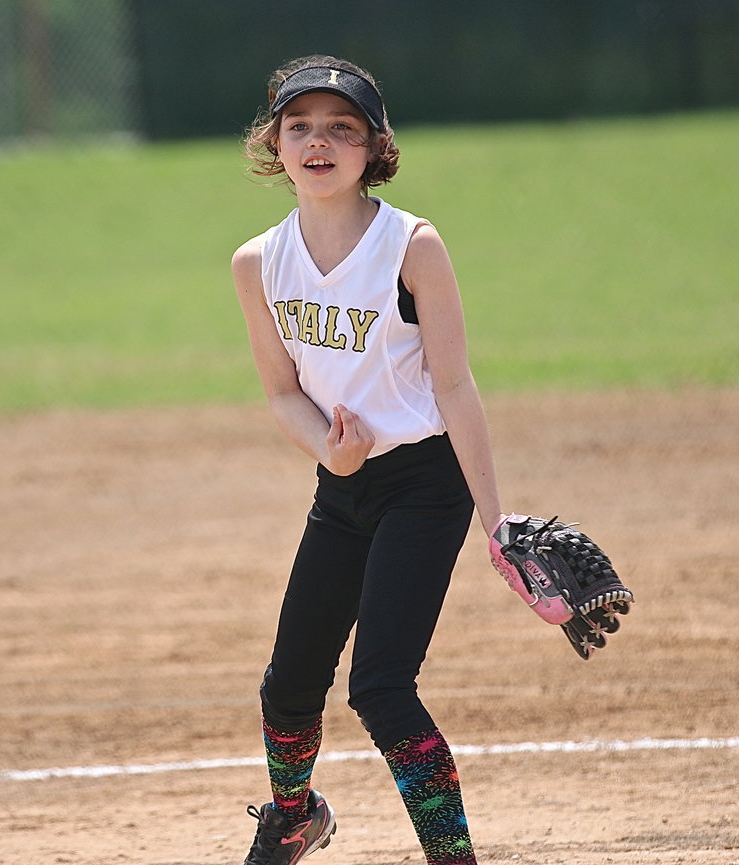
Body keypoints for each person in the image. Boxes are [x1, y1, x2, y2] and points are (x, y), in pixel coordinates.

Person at [231, 55, 504, 865]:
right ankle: (294, 815)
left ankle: (453, 857)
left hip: (425, 484)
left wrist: (501, 523)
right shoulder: (258, 263)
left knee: (381, 688)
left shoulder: (410, 246)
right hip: (341, 483)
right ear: (275, 144)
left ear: (373, 146)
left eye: (341, 127)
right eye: (300, 125)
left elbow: (454, 386)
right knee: (287, 686)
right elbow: (282, 392)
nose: (319, 142)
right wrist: (331, 455)